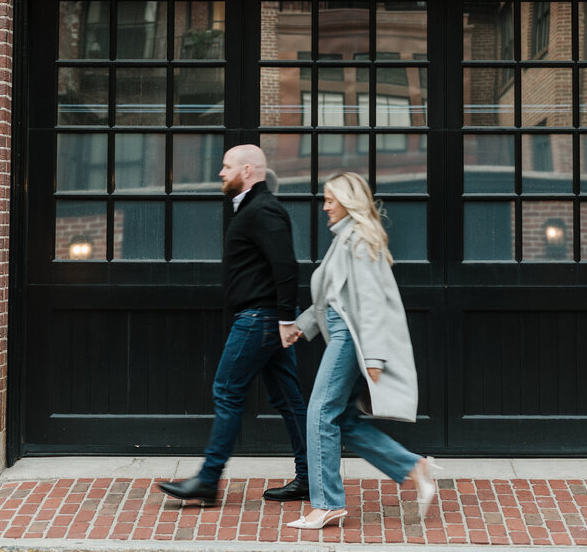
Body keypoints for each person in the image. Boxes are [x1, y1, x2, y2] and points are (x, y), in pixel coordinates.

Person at [281, 172, 441, 530]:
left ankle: (327, 505)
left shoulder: (357, 241)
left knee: (320, 414)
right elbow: (332, 298)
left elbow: (369, 304)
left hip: (350, 338)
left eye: (330, 200)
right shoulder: (345, 239)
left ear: (348, 201)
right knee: (343, 419)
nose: (324, 206)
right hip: (343, 332)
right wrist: (300, 327)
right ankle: (410, 466)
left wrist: (373, 358)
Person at [156, 145, 309, 506]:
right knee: (288, 399)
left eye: (226, 167)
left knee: (227, 389)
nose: (221, 173)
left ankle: (208, 481)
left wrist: (287, 319)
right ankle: (310, 477)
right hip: (265, 317)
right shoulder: (251, 208)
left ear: (246, 169)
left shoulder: (263, 209)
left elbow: (285, 267)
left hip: (260, 319)